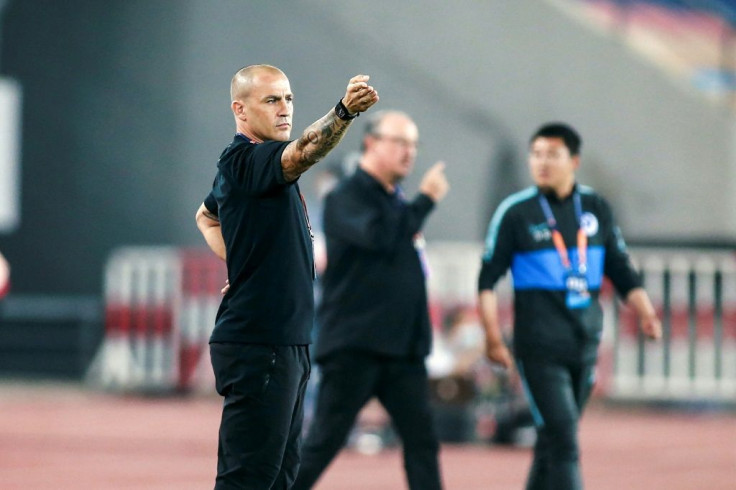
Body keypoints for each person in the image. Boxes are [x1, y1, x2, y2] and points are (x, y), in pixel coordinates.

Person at [195, 64, 378, 490]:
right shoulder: (246, 158)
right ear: (240, 110)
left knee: (280, 480)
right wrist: (343, 112)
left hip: (285, 342)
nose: (285, 109)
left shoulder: (250, 171)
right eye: (272, 100)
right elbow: (304, 152)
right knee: (248, 480)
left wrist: (240, 265)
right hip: (260, 343)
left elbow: (206, 217)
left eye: (289, 99)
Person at [477, 122, 662, 490]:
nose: (542, 162)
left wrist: (645, 311)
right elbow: (487, 280)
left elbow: (621, 268)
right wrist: (493, 338)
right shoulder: (516, 213)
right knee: (565, 440)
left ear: (574, 160)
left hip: (584, 343)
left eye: (552, 155)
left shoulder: (595, 207)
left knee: (552, 439)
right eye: (537, 155)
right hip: (539, 346)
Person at [292, 110, 449, 490]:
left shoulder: (395, 200)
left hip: (402, 352)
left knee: (423, 443)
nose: (409, 152)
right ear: (371, 143)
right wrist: (425, 201)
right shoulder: (345, 197)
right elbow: (380, 237)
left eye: (413, 144)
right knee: (322, 444)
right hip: (355, 347)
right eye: (400, 142)